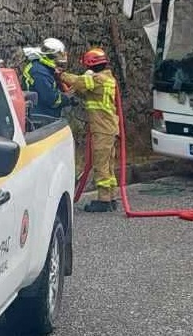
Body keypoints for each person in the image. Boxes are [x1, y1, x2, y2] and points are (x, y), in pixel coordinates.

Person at [60, 47, 121, 212]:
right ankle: (112, 198)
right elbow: (86, 91)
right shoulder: (107, 79)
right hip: (109, 128)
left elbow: (79, 82)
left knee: (100, 164)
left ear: (91, 65)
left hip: (102, 128)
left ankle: (103, 201)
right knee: (108, 164)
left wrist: (61, 74)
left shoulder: (98, 79)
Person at [21, 38, 74, 120]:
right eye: (60, 54)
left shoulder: (42, 68)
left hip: (43, 113)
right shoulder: (39, 72)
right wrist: (67, 98)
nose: (63, 56)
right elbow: (51, 99)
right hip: (40, 116)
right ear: (52, 55)